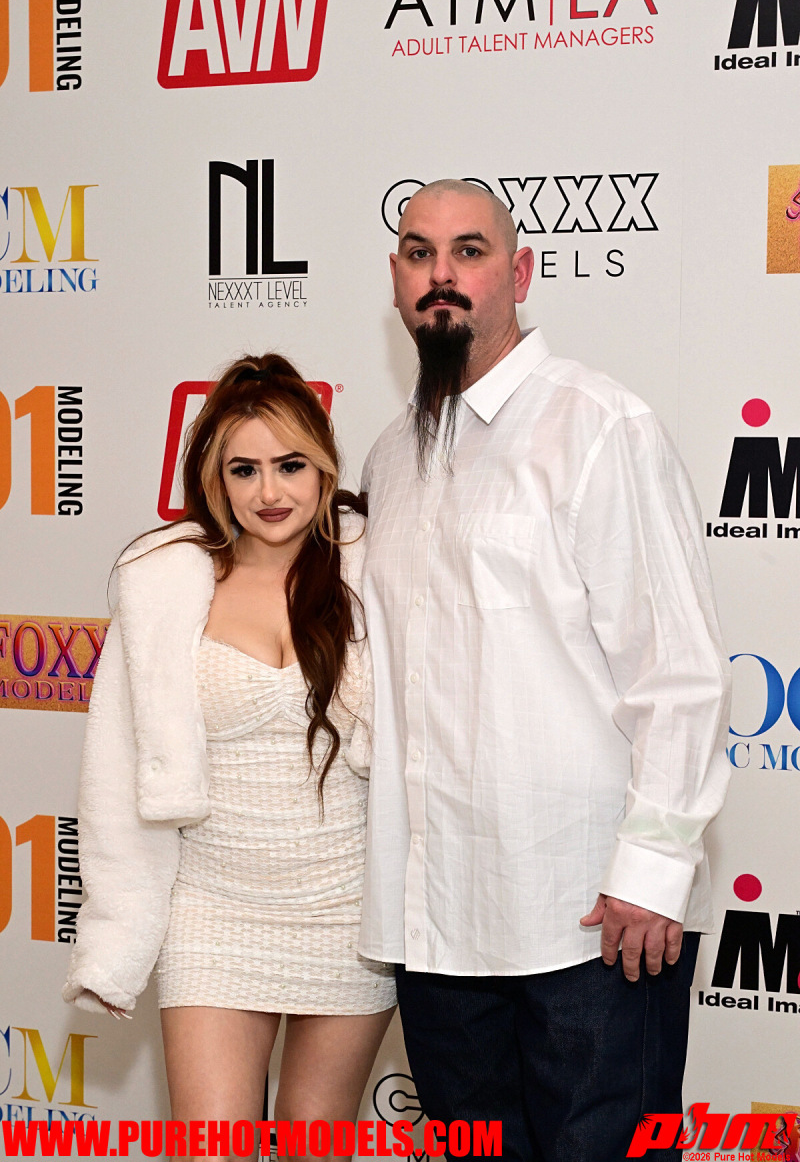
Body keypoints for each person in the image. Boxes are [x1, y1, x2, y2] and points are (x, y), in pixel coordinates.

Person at [357, 180, 731, 1161]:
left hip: (593, 923)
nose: (442, 274)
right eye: (419, 253)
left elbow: (679, 671)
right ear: (395, 280)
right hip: (440, 931)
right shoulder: (389, 459)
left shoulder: (598, 425)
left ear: (518, 272)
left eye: (469, 250)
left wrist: (651, 872)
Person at [64, 355, 395, 1161]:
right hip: (213, 913)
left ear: (325, 466)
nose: (269, 491)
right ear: (214, 479)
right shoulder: (162, 586)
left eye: (291, 465)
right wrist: (114, 936)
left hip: (348, 912)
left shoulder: (376, 572)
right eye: (244, 469)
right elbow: (113, 777)